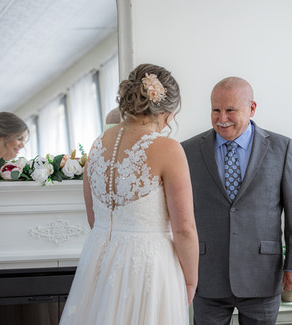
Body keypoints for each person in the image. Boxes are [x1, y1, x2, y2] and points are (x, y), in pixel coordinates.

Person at [60, 63, 199, 325]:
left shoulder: (98, 143)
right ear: (167, 110)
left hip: (101, 258)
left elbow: (93, 217)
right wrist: (190, 280)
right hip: (148, 266)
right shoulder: (168, 149)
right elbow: (184, 229)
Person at [182, 77, 292, 324]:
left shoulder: (281, 148)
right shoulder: (188, 151)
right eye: (215, 110)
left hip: (261, 275)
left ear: (252, 108)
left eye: (230, 110)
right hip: (207, 275)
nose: (222, 118)